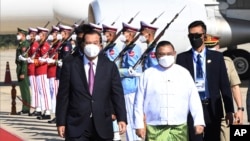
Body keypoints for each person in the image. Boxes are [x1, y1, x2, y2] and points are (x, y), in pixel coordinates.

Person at [56, 29, 127, 140]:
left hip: (102, 124)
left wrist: (122, 118)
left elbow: (117, 94)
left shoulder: (109, 66)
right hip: (76, 124)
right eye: (88, 43)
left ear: (100, 45)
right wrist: (60, 122)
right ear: (83, 45)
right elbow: (63, 96)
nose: (92, 46)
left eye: (95, 43)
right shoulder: (70, 65)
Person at [133, 40, 205, 141]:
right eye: (162, 54)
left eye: (169, 54)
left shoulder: (183, 73)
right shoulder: (148, 74)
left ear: (174, 54)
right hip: (155, 128)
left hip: (178, 127)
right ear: (156, 55)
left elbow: (194, 99)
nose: (165, 57)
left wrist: (198, 121)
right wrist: (138, 125)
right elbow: (138, 102)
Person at [176, 20, 234, 141]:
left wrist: (229, 110)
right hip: (191, 109)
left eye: (197, 35)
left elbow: (224, 85)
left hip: (211, 107)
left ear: (204, 36)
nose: (194, 38)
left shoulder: (217, 57)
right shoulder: (182, 58)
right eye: (191, 36)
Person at [205, 34, 244, 141]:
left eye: (212, 46)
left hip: (222, 110)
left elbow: (235, 86)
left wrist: (240, 109)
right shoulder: (197, 62)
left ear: (218, 46)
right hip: (203, 110)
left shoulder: (226, 61)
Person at [118, 22, 142, 141]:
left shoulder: (133, 49)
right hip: (126, 87)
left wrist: (118, 71)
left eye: (125, 33)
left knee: (132, 119)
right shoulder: (126, 48)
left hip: (131, 87)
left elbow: (133, 70)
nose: (122, 34)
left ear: (131, 34)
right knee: (128, 118)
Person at [102, 23, 122, 141]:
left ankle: (116, 134)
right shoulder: (107, 48)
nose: (104, 36)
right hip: (105, 82)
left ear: (111, 35)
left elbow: (111, 66)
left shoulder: (114, 50)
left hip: (111, 82)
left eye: (105, 34)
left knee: (112, 108)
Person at [28, 27, 51, 120]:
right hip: (38, 71)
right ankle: (43, 110)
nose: (38, 36)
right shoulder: (40, 45)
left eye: (39, 34)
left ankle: (47, 111)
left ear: (44, 35)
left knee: (44, 92)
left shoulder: (45, 45)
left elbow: (43, 60)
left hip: (42, 71)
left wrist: (33, 61)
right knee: (41, 92)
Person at [18, 27, 41, 116]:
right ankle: (36, 108)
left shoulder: (34, 44)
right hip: (31, 69)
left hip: (33, 69)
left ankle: (38, 108)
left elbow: (35, 58)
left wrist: (27, 59)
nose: (29, 35)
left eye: (31, 34)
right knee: (35, 90)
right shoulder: (31, 44)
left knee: (37, 90)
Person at [45, 25, 61, 123]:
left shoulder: (59, 46)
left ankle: (58, 116)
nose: (52, 35)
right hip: (50, 73)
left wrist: (52, 61)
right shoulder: (53, 46)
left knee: (56, 95)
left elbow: (58, 59)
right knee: (52, 95)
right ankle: (55, 114)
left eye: (54, 33)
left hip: (55, 73)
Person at [15, 28, 31, 115]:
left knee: (25, 90)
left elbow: (24, 61)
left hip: (23, 70)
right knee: (22, 90)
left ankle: (26, 108)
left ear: (23, 35)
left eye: (19, 34)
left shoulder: (25, 45)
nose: (17, 36)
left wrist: (23, 72)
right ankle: (24, 108)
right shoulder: (21, 44)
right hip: (19, 68)